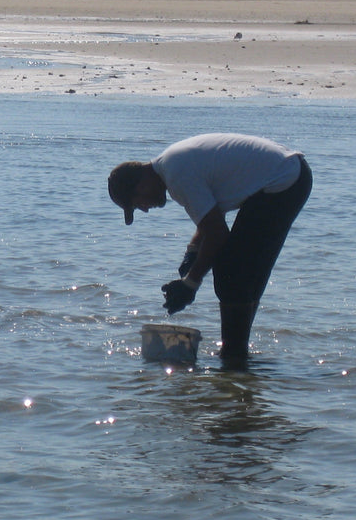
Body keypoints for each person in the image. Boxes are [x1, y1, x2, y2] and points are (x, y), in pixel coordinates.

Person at [108, 133, 312, 363]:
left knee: (231, 270)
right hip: (287, 174)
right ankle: (237, 356)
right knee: (240, 272)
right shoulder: (171, 164)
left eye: (137, 203)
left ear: (140, 184)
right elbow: (212, 217)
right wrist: (193, 251)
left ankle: (233, 357)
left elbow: (217, 233)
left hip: (284, 182)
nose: (144, 209)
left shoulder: (176, 176)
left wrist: (190, 284)